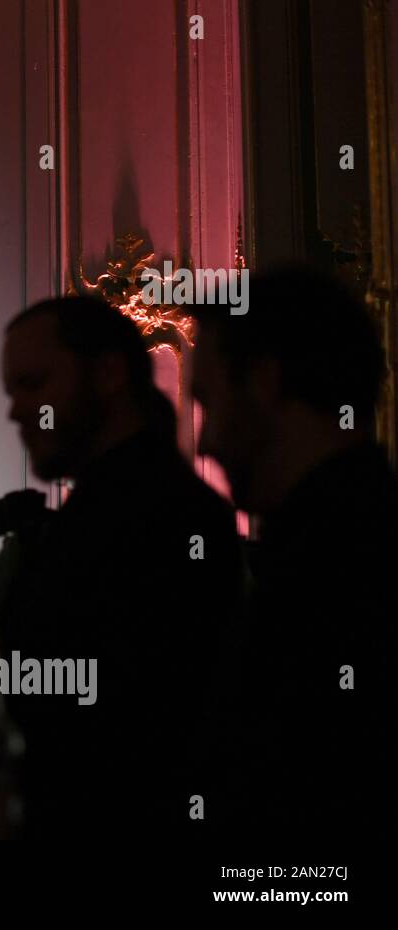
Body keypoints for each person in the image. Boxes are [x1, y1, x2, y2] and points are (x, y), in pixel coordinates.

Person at [0, 295, 243, 838]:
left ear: (107, 373)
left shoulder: (157, 517)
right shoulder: (128, 507)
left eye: (33, 385)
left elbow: (117, 724)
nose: (14, 411)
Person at [191, 265, 397, 834]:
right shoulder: (340, 537)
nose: (204, 441)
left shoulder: (334, 568)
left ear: (263, 381)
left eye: (208, 403)